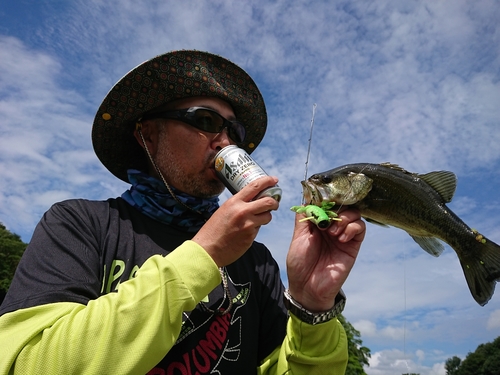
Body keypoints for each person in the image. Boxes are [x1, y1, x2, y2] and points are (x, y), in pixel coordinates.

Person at [0, 50, 365, 374]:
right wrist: (203, 256)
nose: (224, 140)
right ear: (147, 135)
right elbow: (28, 363)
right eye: (205, 120)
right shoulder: (80, 225)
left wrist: (311, 305)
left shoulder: (256, 261)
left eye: (233, 130)